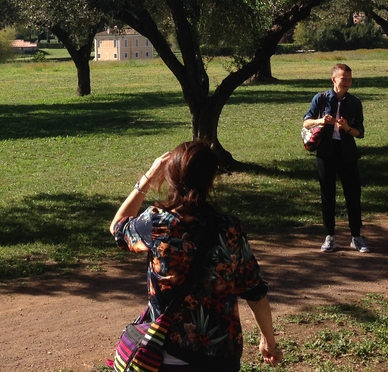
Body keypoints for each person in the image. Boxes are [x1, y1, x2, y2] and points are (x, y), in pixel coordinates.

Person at [110, 140, 282, 371]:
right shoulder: (229, 229)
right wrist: (268, 341)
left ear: (170, 177)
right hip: (219, 359)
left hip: (166, 357)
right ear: (211, 181)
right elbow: (255, 291)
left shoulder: (156, 222)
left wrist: (148, 178)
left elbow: (117, 227)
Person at [302, 63, 368, 253]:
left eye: (350, 79)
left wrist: (347, 128)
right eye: (343, 79)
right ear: (334, 79)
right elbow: (306, 122)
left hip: (347, 152)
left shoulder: (354, 102)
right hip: (326, 152)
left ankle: (356, 236)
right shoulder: (321, 98)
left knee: (353, 194)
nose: (347, 82)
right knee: (327, 194)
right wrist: (322, 120)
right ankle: (329, 236)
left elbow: (360, 132)